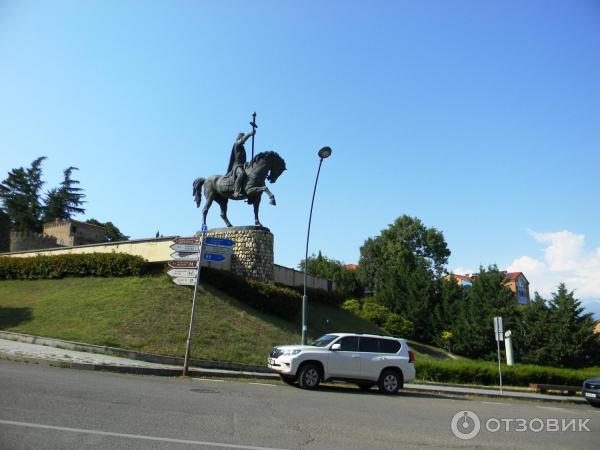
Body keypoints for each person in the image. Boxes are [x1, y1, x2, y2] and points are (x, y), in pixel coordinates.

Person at [226, 129, 255, 198]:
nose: (243, 140)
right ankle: (236, 191)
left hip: (243, 165)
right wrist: (250, 134)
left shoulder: (242, 147)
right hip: (237, 166)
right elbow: (243, 140)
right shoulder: (237, 144)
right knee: (241, 174)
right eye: (242, 137)